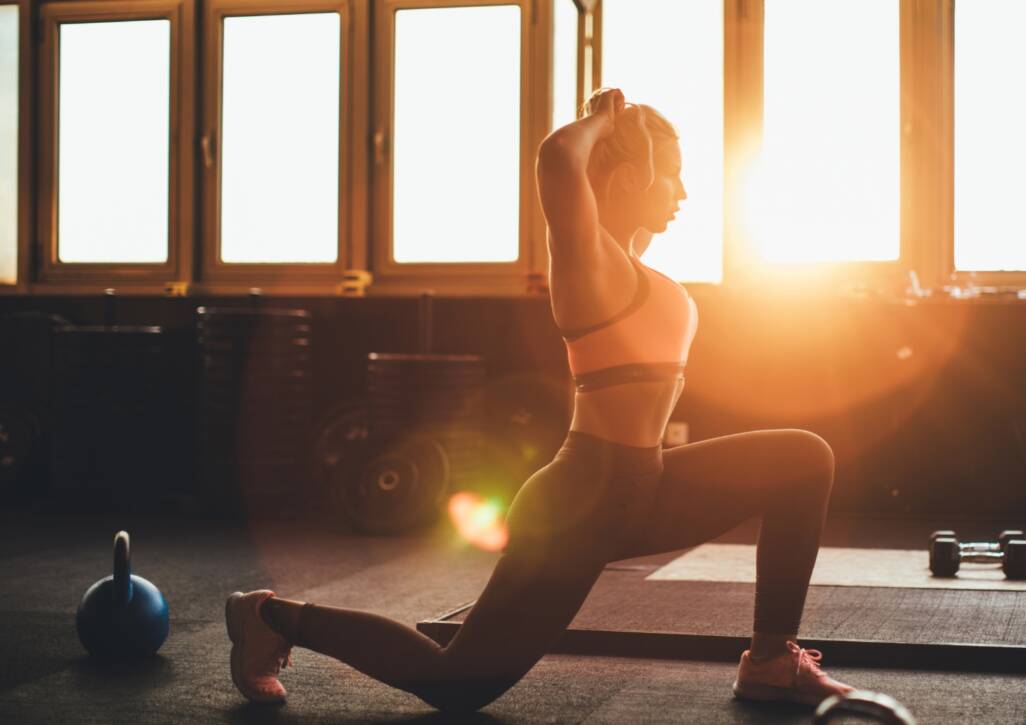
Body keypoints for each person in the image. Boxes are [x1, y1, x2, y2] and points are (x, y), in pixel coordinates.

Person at [224, 87, 855, 712]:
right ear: (633, 176)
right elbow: (557, 161)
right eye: (673, 179)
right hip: (581, 501)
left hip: (647, 485)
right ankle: (274, 618)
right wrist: (602, 123)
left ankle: (771, 660)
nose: (684, 195)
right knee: (460, 683)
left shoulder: (638, 270)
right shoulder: (590, 263)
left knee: (803, 457)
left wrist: (624, 139)